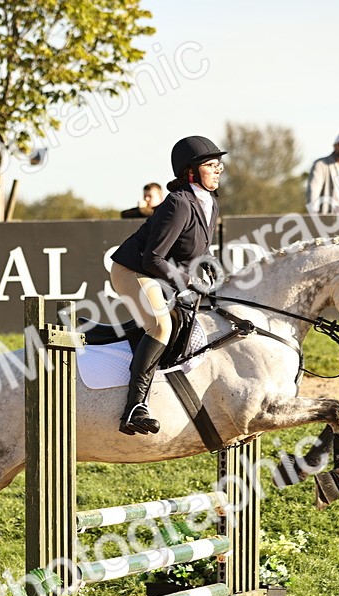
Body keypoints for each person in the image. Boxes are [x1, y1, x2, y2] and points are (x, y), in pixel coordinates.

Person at [110, 135, 224, 435]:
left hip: (159, 273)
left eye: (219, 165)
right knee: (160, 326)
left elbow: (200, 250)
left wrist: (213, 268)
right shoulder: (178, 203)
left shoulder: (210, 202)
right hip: (133, 270)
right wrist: (188, 282)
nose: (218, 170)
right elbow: (153, 258)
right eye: (211, 165)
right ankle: (134, 407)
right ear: (191, 170)